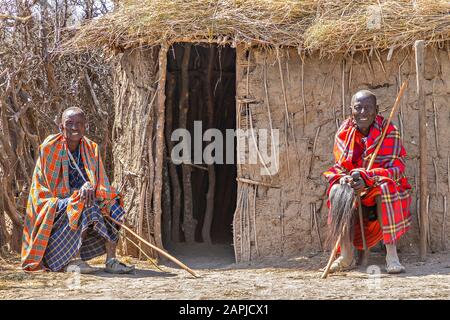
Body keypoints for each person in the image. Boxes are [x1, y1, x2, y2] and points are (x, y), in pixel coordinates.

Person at [22, 107, 134, 274]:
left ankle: (111, 260)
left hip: (85, 199)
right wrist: (79, 192)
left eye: (79, 124)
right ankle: (74, 260)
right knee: (83, 202)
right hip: (51, 204)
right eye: (70, 123)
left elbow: (99, 183)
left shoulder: (91, 148)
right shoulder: (49, 147)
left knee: (112, 200)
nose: (75, 127)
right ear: (61, 127)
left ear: (85, 127)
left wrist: (93, 189)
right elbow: (51, 190)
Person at [323, 90, 412, 274]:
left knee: (386, 187)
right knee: (336, 191)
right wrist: (348, 179)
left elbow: (396, 170)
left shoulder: (389, 131)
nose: (363, 112)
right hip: (355, 186)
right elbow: (340, 166)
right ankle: (346, 256)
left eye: (368, 108)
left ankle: (392, 256)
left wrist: (367, 178)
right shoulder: (344, 132)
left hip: (378, 184)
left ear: (377, 110)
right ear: (351, 111)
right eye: (358, 108)